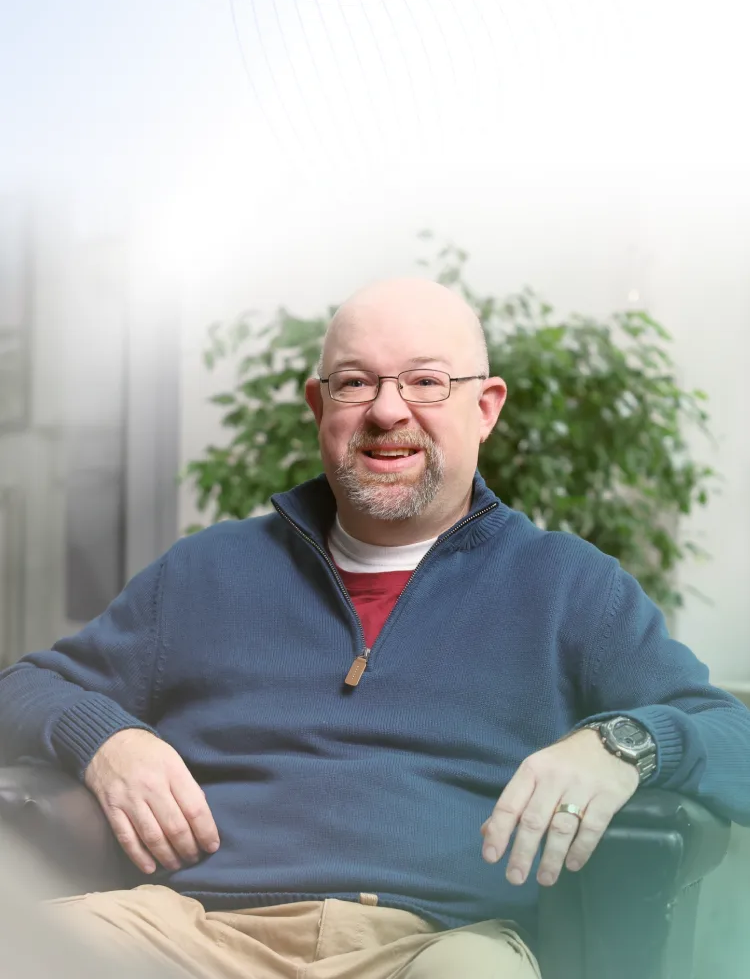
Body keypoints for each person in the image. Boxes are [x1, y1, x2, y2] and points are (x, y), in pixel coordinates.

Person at [1, 276, 749, 979]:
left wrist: (622, 743)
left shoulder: (569, 586)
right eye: (356, 383)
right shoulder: (204, 572)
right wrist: (104, 738)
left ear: (485, 408)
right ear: (319, 405)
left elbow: (733, 740)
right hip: (193, 932)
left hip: (436, 944)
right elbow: (22, 686)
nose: (388, 412)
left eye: (426, 381)